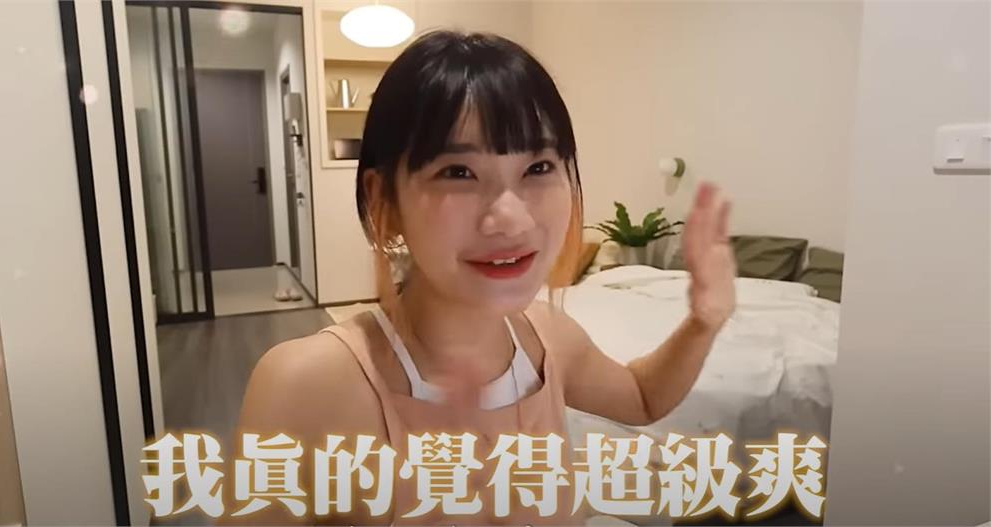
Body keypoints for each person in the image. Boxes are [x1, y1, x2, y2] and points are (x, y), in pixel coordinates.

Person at [229, 30, 736, 526]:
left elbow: (642, 398)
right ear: (386, 199)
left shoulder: (547, 339)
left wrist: (704, 320)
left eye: (538, 167)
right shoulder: (309, 384)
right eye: (458, 172)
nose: (512, 219)